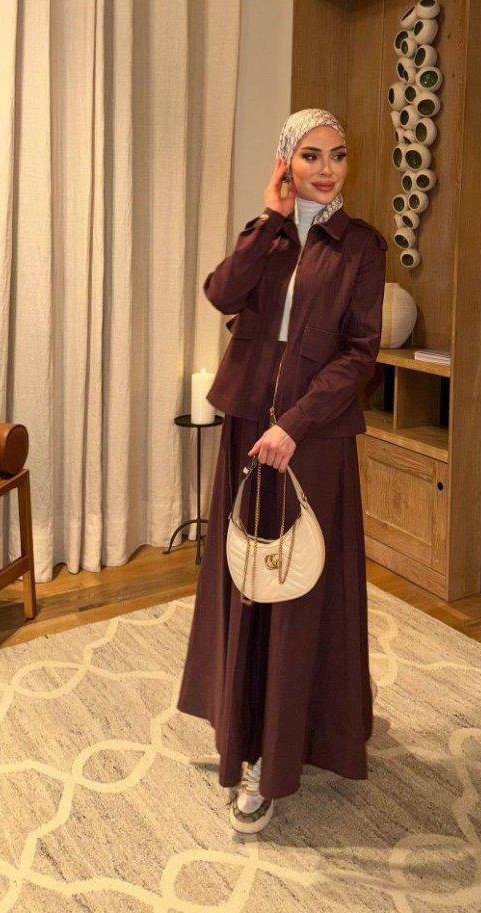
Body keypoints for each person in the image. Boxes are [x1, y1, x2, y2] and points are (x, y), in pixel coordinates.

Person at [176, 107, 388, 834]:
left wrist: (293, 425)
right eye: (310, 155)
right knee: (247, 576)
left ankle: (282, 753)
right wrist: (269, 218)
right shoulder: (264, 236)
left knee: (300, 585)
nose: (326, 169)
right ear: (286, 164)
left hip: (312, 438)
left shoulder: (361, 245)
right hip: (247, 431)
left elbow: (360, 353)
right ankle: (241, 732)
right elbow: (220, 294)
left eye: (338, 154)